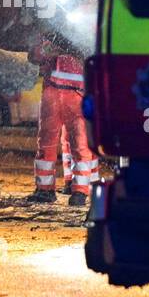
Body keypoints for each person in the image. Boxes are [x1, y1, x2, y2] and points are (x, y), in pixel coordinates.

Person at [27, 30, 96, 206]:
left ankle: (79, 191)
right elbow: (34, 56)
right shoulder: (53, 32)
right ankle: (46, 189)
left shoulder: (83, 30)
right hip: (57, 92)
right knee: (47, 143)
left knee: (79, 144)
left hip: (76, 94)